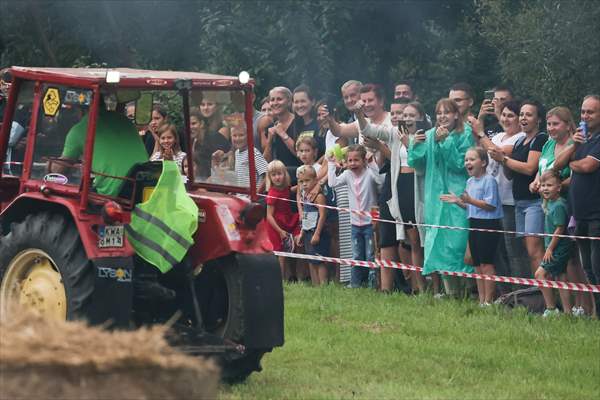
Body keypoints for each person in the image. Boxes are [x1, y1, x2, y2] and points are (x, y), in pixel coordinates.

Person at [356, 98, 427, 293]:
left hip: (418, 188)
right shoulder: (397, 134)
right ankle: (417, 287)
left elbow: (421, 166)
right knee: (410, 239)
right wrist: (359, 115)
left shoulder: (425, 136)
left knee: (421, 239)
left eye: (412, 115)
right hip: (400, 187)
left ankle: (429, 286)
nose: (407, 119)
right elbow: (370, 131)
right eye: (405, 115)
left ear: (421, 117)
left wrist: (409, 143)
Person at [408, 98, 475, 297]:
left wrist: (445, 142)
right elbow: (415, 162)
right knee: (438, 243)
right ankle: (451, 292)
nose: (442, 116)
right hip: (435, 198)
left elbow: (459, 164)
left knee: (458, 242)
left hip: (457, 195)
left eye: (447, 112)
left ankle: (469, 291)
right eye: (439, 113)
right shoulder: (429, 134)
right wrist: (414, 144)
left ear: (456, 114)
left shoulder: (466, 134)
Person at [471, 101, 530, 286]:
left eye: (511, 115)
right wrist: (479, 120)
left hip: (509, 201)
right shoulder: (498, 136)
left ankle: (521, 293)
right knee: (494, 251)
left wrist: (481, 132)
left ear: (520, 119)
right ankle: (503, 292)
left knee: (513, 250)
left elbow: (495, 151)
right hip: (490, 202)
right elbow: (479, 151)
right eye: (503, 115)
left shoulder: (520, 138)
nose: (505, 119)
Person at [488, 100, 547, 277]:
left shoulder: (541, 138)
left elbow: (530, 168)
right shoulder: (521, 140)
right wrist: (504, 162)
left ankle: (546, 296)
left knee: (534, 250)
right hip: (519, 201)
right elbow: (510, 175)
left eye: (529, 115)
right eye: (522, 114)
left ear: (539, 119)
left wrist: (504, 159)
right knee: (524, 252)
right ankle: (531, 293)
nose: (523, 118)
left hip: (534, 201)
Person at [553, 94, 600, 315]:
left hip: (596, 214)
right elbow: (557, 166)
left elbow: (589, 166)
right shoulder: (582, 139)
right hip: (579, 214)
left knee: (598, 267)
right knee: (588, 269)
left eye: (590, 112)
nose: (585, 116)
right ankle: (595, 315)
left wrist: (573, 163)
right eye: (583, 111)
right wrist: (573, 147)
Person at [441, 147, 503, 305]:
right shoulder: (469, 182)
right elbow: (471, 207)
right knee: (476, 264)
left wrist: (469, 201)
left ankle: (489, 300)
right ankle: (482, 300)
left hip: (488, 224)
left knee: (486, 263)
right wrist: (459, 202)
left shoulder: (489, 180)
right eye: (466, 160)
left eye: (472, 159)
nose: (468, 162)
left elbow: (490, 205)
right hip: (474, 222)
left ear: (483, 162)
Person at [59, 99, 148, 197]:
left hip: (114, 192)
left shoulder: (80, 129)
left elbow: (60, 169)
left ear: (80, 110)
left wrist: (49, 166)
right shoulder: (124, 120)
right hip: (143, 185)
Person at [327, 144, 383, 288]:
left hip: (370, 222)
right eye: (350, 160)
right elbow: (332, 182)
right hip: (355, 224)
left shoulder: (369, 173)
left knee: (371, 254)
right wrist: (331, 163)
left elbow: (380, 181)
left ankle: (373, 284)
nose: (353, 164)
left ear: (363, 160)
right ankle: (356, 283)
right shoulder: (347, 175)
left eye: (356, 160)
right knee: (357, 255)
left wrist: (372, 164)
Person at [535, 170, 573, 317]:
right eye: (543, 185)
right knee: (561, 277)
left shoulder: (558, 205)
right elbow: (544, 199)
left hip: (558, 248)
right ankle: (568, 312)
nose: (545, 188)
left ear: (559, 187)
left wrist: (550, 248)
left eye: (549, 185)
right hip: (555, 247)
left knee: (540, 274)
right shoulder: (550, 202)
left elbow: (560, 228)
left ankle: (551, 309)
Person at [265, 160, 300, 279]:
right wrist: (280, 231)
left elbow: (290, 191)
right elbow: (269, 215)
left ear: (285, 174)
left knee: (292, 248)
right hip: (275, 225)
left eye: (279, 174)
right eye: (273, 175)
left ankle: (293, 275)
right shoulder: (272, 193)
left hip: (287, 220)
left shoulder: (285, 188)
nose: (277, 177)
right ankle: (280, 279)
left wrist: (301, 186)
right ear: (269, 177)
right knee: (281, 252)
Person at [296, 165, 330, 285]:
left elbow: (323, 215)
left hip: (318, 232)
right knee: (311, 259)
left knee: (319, 260)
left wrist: (317, 234)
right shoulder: (305, 196)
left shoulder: (318, 196)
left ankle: (323, 286)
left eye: (307, 180)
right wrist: (301, 233)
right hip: (307, 231)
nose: (304, 184)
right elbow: (306, 216)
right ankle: (315, 286)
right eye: (301, 181)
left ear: (315, 180)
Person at [262, 87, 301, 180]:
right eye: (272, 100)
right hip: (279, 181)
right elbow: (266, 161)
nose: (275, 103)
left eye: (279, 99)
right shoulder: (271, 127)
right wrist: (270, 141)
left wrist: (283, 134)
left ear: (288, 102)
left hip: (299, 179)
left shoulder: (299, 122)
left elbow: (301, 154)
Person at [191, 107, 231, 180]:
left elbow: (229, 157)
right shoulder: (195, 143)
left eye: (194, 123)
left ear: (202, 124)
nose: (191, 127)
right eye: (188, 124)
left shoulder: (214, 138)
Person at [292, 85, 324, 157]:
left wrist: (316, 166)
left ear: (313, 102)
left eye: (303, 101)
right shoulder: (296, 126)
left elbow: (328, 151)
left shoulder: (321, 123)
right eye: (296, 102)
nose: (299, 105)